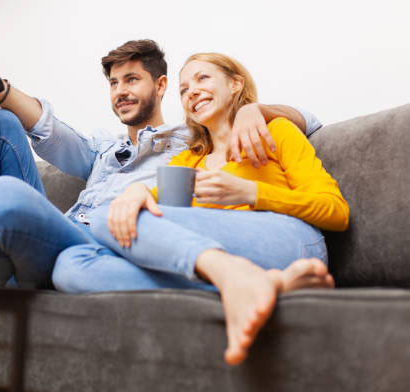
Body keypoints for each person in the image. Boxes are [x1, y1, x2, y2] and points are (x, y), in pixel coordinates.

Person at [0, 40, 321, 290]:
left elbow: (311, 121)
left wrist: (258, 108)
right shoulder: (102, 149)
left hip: (108, 243)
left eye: (132, 79)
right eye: (114, 83)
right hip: (61, 234)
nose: (121, 91)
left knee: (1, 200)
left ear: (162, 86)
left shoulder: (193, 141)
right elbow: (48, 130)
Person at [54, 52, 349, 365]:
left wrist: (252, 192)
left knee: (103, 217)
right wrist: (138, 190)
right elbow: (147, 214)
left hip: (291, 242)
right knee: (70, 266)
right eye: (183, 90)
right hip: (231, 258)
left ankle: (236, 277)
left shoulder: (276, 131)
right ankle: (253, 284)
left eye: (202, 79)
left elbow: (336, 212)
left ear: (236, 84)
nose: (191, 91)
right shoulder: (189, 160)